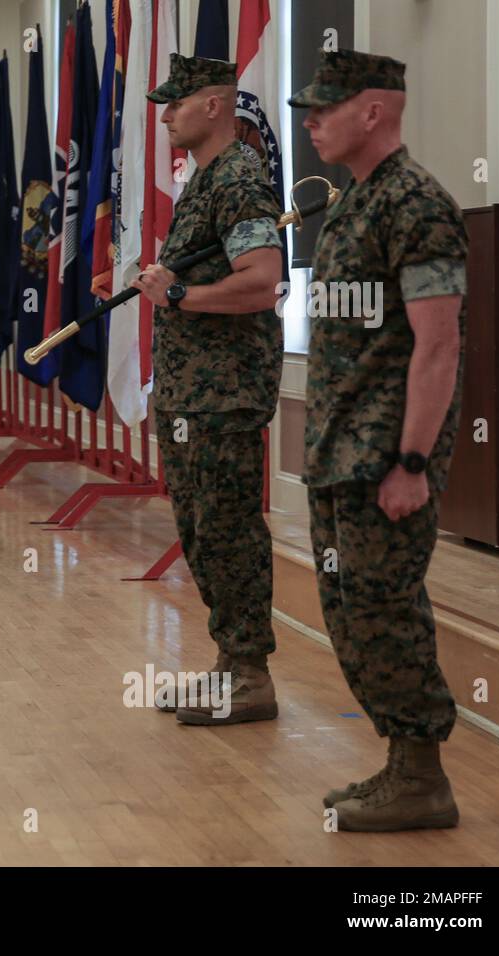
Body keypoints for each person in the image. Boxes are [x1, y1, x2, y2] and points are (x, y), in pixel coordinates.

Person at [291, 49, 466, 831]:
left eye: (324, 107)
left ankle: (425, 776)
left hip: (384, 459)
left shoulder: (417, 204)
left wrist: (413, 463)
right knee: (349, 612)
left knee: (385, 610)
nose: (310, 121)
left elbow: (440, 347)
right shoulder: (352, 203)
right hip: (338, 453)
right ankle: (401, 764)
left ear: (373, 111)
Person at [131, 54, 285, 725]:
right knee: (201, 532)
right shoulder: (205, 180)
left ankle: (251, 674)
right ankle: (230, 662)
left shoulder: (241, 177)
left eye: (177, 104)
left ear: (216, 105)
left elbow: (261, 280)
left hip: (224, 393)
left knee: (227, 530)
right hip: (192, 393)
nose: (166, 115)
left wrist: (182, 294)